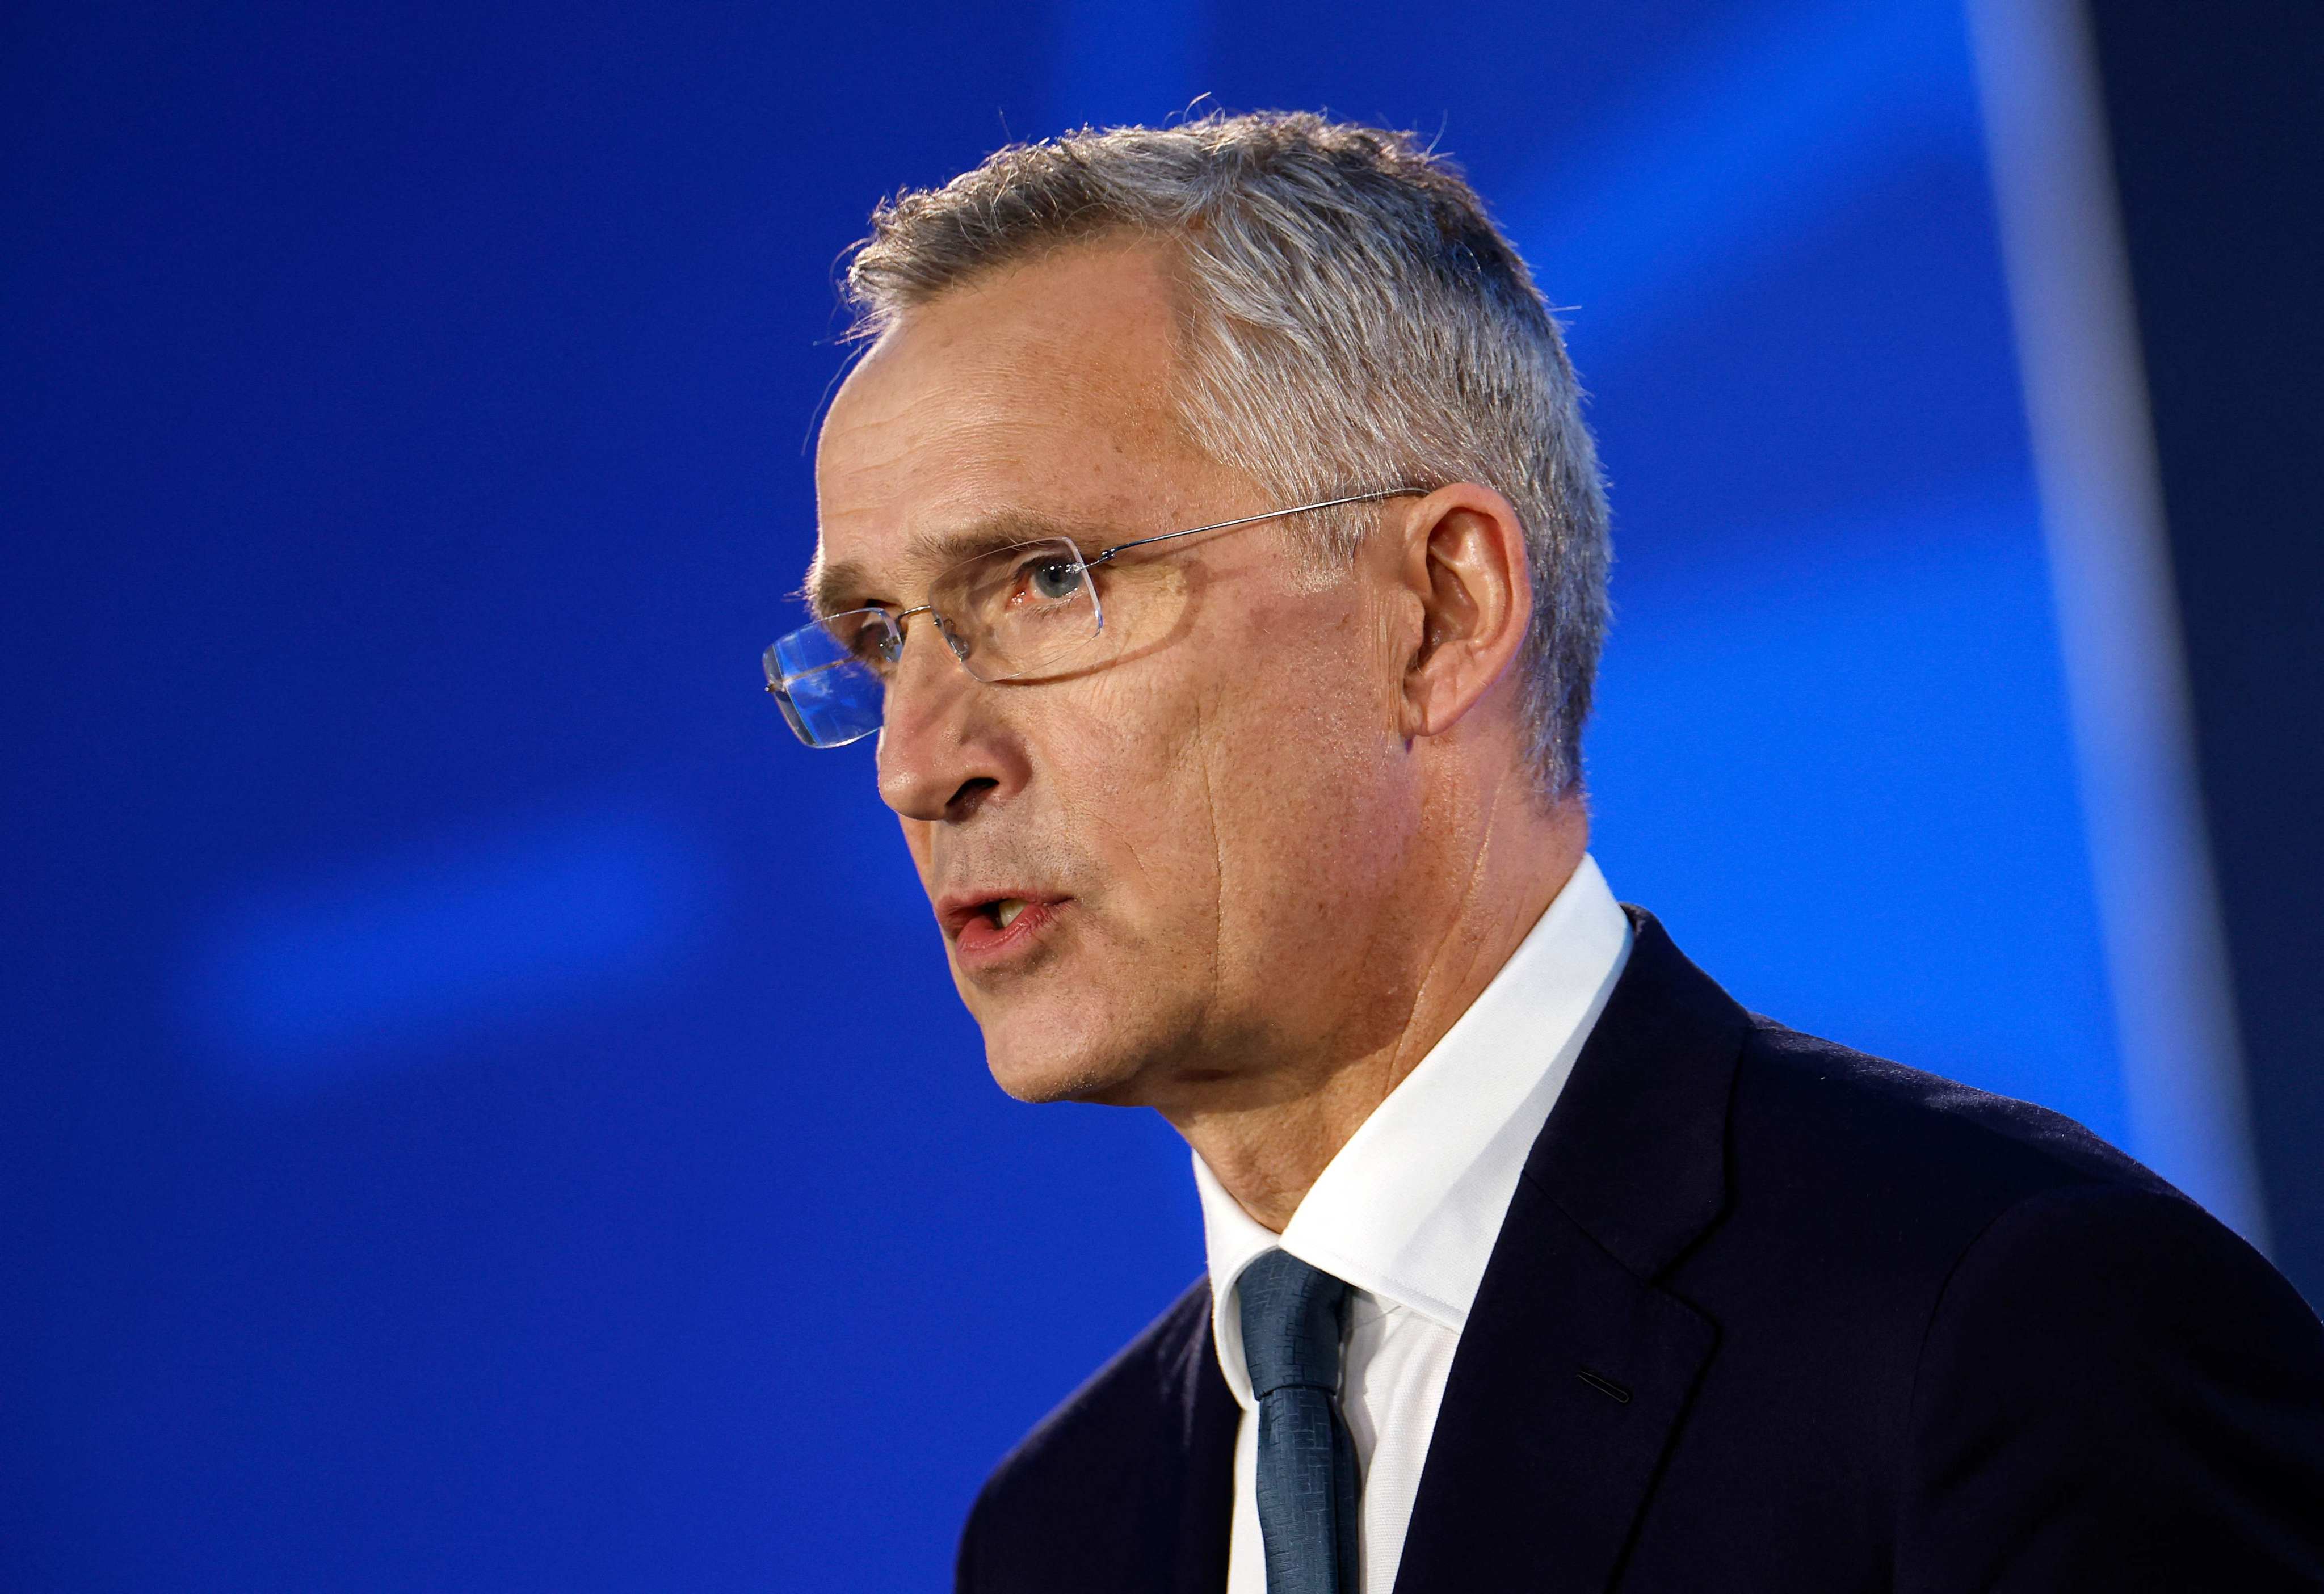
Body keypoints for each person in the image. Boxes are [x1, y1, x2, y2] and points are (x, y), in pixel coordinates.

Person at [766, 112, 2324, 1592]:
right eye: (880, 638)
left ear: (1439, 611)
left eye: (1046, 580)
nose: (916, 760)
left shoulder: (2005, 1325)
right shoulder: (1060, 1528)